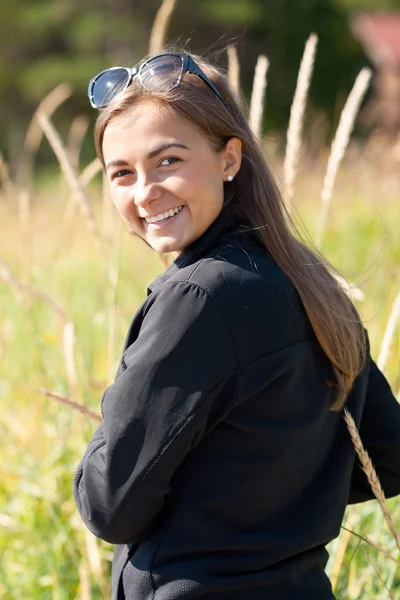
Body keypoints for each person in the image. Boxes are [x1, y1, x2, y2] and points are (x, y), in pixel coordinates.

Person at [73, 51, 400, 600]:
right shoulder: (306, 280)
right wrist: (266, 509)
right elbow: (386, 459)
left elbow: (108, 505)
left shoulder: (197, 299)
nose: (145, 191)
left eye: (169, 161)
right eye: (122, 173)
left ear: (229, 159)